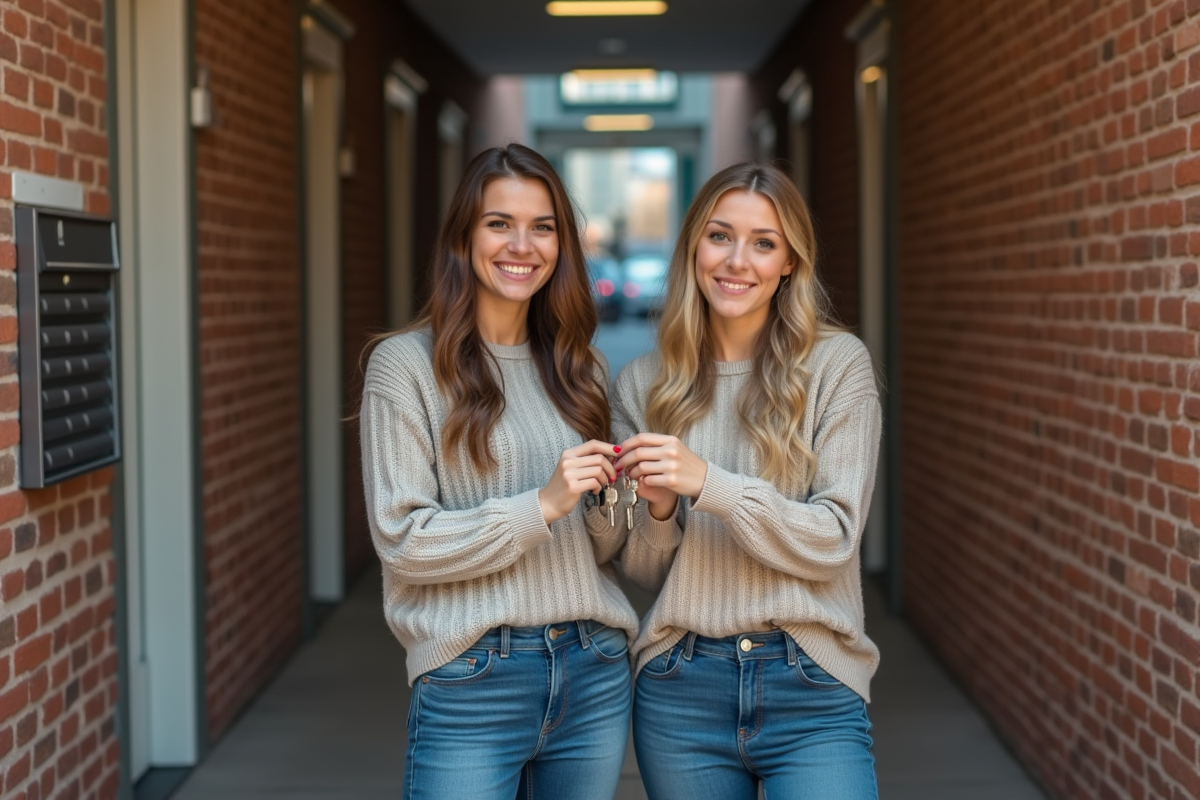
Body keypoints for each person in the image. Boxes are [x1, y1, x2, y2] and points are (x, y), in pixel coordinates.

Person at [359, 144, 639, 800]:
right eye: (499, 223)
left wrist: (619, 504)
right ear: (463, 237)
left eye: (543, 227)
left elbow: (601, 549)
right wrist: (540, 504)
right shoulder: (404, 367)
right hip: (471, 677)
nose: (523, 245)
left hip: (592, 669)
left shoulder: (581, 369)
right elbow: (403, 542)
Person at [612, 162, 882, 800]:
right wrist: (655, 513)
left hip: (811, 678)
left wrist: (710, 484)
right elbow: (645, 574)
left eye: (764, 243)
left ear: (789, 262)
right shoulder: (642, 386)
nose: (737, 261)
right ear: (693, 250)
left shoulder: (837, 367)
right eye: (719, 236)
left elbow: (833, 540)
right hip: (681, 689)